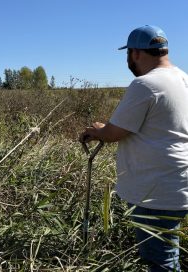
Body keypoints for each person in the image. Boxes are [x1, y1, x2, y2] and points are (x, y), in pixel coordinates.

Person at [80, 25, 188, 271]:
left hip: (155, 189)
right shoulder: (183, 79)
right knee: (168, 253)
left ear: (136, 53)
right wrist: (107, 128)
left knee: (161, 261)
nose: (129, 60)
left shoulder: (145, 85)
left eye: (129, 54)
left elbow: (115, 133)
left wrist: (97, 131)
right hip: (178, 184)